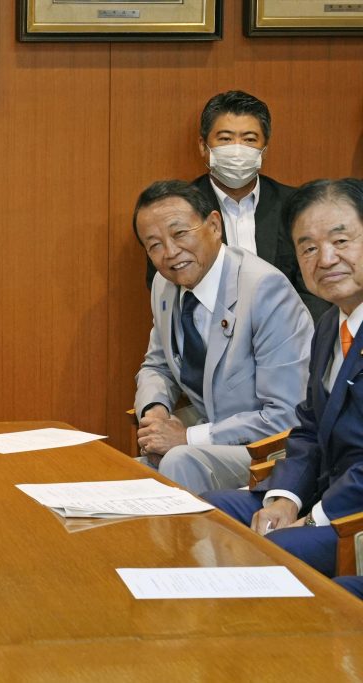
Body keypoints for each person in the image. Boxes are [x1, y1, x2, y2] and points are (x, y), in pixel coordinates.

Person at [203, 179, 363, 578]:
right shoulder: (329, 324)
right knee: (206, 513)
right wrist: (283, 498)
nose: (325, 259)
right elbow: (309, 429)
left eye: (341, 241)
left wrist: (316, 517)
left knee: (268, 555)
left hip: (352, 513)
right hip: (322, 492)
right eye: (308, 247)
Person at [133, 180, 312, 493]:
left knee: (179, 460)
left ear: (214, 226)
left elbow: (286, 414)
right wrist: (155, 412)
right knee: (126, 473)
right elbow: (157, 364)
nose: (171, 253)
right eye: (154, 245)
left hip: (269, 449)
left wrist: (187, 437)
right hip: (207, 434)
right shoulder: (165, 286)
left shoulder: (264, 290)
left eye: (179, 234)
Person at [143, 90, 327, 319]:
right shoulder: (175, 209)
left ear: (264, 149)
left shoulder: (296, 205)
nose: (237, 149)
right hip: (206, 342)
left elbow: (317, 284)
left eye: (249, 139)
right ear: (203, 146)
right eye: (225, 139)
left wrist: (286, 336)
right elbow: (167, 286)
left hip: (288, 341)